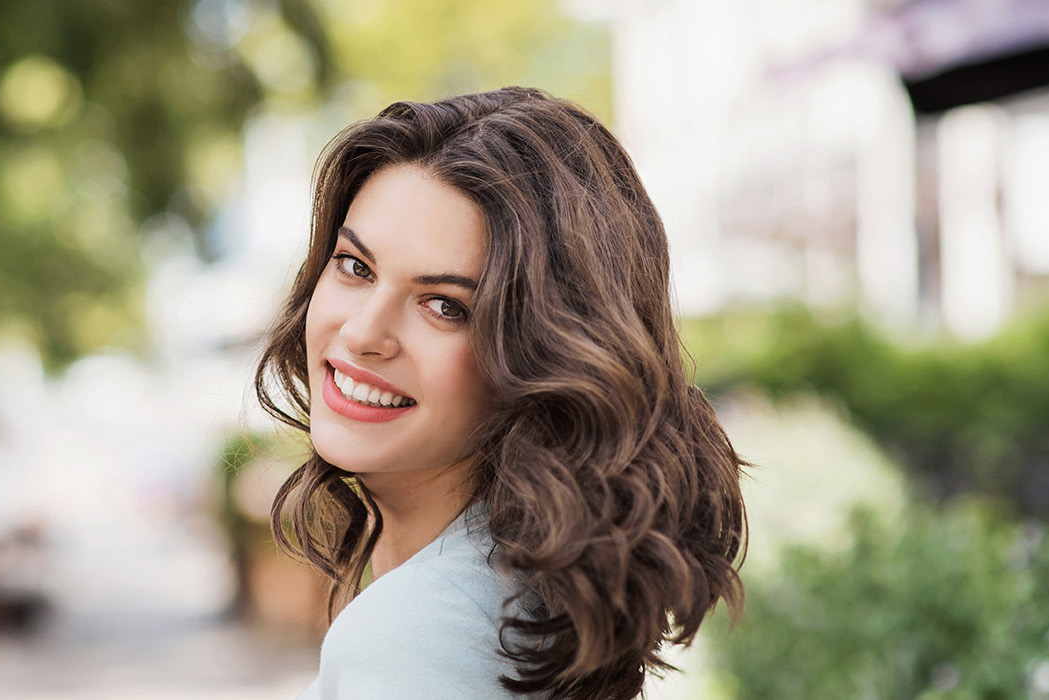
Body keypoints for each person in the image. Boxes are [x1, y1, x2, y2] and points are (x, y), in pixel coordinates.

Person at [254, 86, 751, 700]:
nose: (362, 333)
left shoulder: (418, 635)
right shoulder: (514, 595)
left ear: (542, 355)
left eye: (444, 306)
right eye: (356, 267)